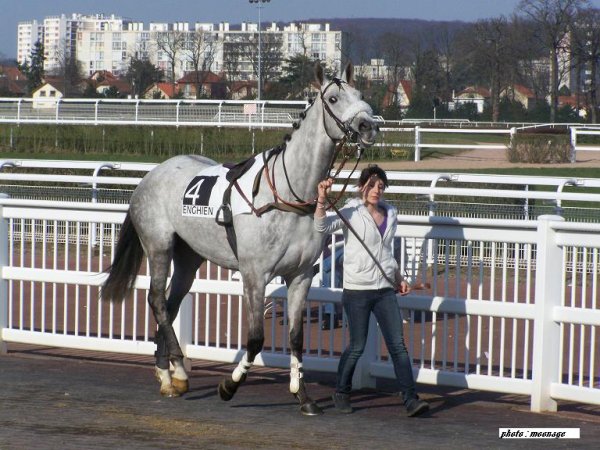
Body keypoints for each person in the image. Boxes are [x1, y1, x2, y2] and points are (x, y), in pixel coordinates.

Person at [314, 165, 429, 417]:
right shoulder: (350, 211)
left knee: (398, 345)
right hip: (357, 290)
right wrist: (321, 199)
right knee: (357, 345)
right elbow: (321, 228)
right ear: (361, 186)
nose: (376, 190)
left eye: (380, 186)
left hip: (384, 289)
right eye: (371, 185)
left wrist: (399, 278)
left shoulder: (390, 213)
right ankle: (341, 392)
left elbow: (386, 253)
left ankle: (410, 399)